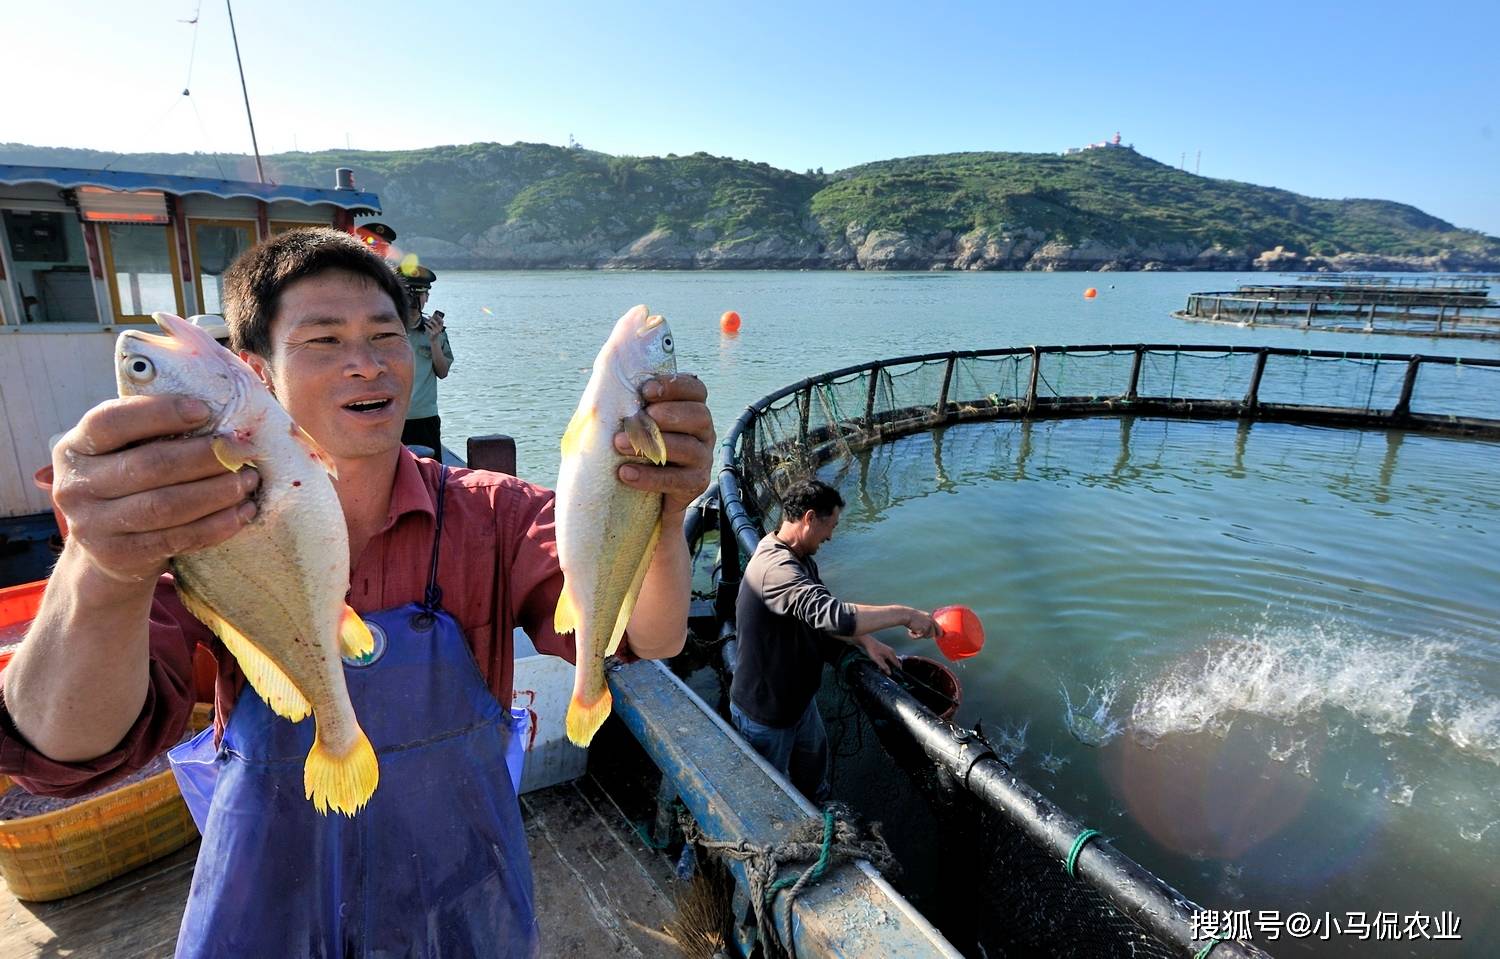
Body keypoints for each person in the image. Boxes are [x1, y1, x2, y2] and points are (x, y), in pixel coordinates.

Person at [0, 227, 715, 957]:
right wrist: (102, 563)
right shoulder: (195, 530)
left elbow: (653, 638)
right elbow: (62, 749)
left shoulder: (495, 513)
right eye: (324, 341)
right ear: (256, 371)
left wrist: (662, 508)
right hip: (272, 909)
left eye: (386, 334)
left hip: (461, 900)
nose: (367, 364)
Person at [730, 479, 935, 804]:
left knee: (815, 782)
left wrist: (866, 641)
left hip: (799, 704)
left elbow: (819, 615)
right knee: (771, 800)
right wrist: (905, 614)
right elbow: (834, 615)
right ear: (810, 518)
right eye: (831, 526)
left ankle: (823, 814)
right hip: (765, 714)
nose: (831, 536)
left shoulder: (799, 557)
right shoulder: (776, 569)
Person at [398, 264, 452, 456]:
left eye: (420, 295)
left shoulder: (434, 330)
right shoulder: (386, 329)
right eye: (408, 294)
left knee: (430, 474)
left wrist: (434, 341)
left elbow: (443, 372)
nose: (414, 300)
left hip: (424, 417)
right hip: (392, 416)